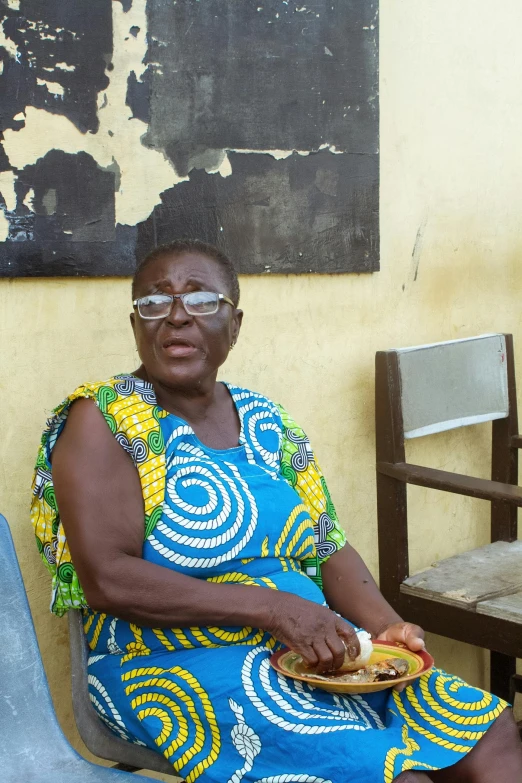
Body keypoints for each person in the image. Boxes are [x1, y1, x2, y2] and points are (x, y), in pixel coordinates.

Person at [31, 239, 522, 783]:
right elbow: (107, 579)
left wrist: (386, 628)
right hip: (168, 661)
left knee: (491, 733)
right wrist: (273, 609)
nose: (175, 317)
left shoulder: (268, 420)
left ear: (234, 325)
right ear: (136, 324)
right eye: (154, 302)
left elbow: (327, 544)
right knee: (390, 775)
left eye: (199, 300)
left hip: (313, 643)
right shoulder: (103, 420)